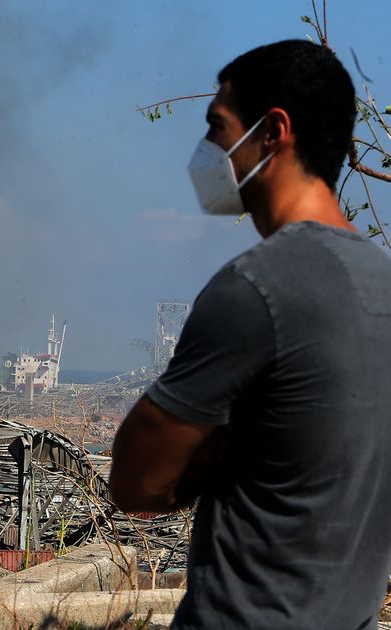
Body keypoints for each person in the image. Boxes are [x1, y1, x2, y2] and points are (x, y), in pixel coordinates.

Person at [109, 39, 391, 629]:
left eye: (218, 125)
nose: (209, 149)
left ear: (273, 131)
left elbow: (135, 480)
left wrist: (214, 453)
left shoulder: (256, 288)